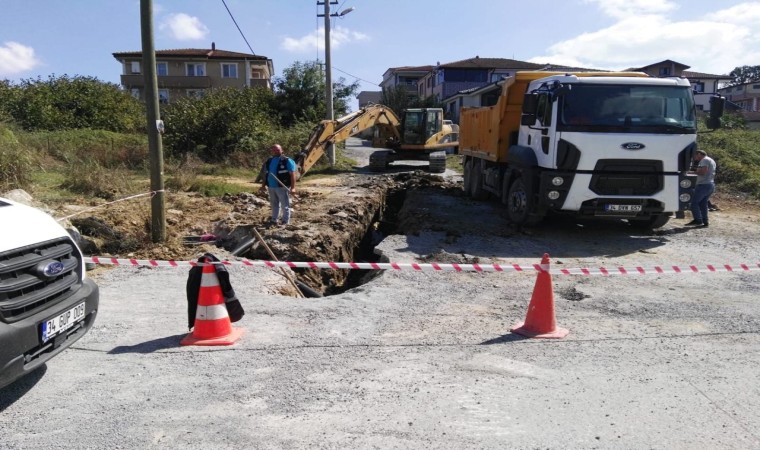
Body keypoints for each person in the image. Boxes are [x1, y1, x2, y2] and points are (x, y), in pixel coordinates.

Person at [259, 144, 297, 226]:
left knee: (284, 204)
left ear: (282, 150)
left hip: (282, 186)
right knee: (274, 204)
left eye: (278, 150)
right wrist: (263, 186)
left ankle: (285, 221)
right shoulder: (269, 161)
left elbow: (293, 174)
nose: (276, 151)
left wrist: (293, 188)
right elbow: (266, 174)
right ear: (272, 151)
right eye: (274, 150)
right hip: (271, 186)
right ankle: (274, 220)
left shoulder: (287, 160)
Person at [686, 149, 716, 228]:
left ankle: (698, 220)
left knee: (693, 203)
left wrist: (690, 172)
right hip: (710, 184)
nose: (695, 158)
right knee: (703, 204)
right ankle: (705, 221)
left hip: (703, 185)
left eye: (695, 156)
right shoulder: (711, 160)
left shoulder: (704, 160)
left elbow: (703, 172)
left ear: (699, 154)